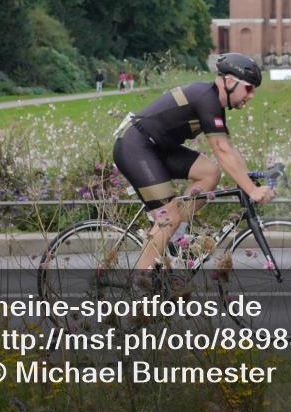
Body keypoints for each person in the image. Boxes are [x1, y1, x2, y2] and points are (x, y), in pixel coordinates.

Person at [112, 53, 275, 270]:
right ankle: (138, 287)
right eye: (249, 88)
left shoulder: (213, 101)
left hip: (157, 148)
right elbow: (221, 150)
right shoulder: (205, 98)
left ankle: (173, 237)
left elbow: (229, 149)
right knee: (167, 217)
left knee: (210, 173)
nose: (252, 95)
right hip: (135, 146)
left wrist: (248, 180)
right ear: (229, 81)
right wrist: (252, 192)